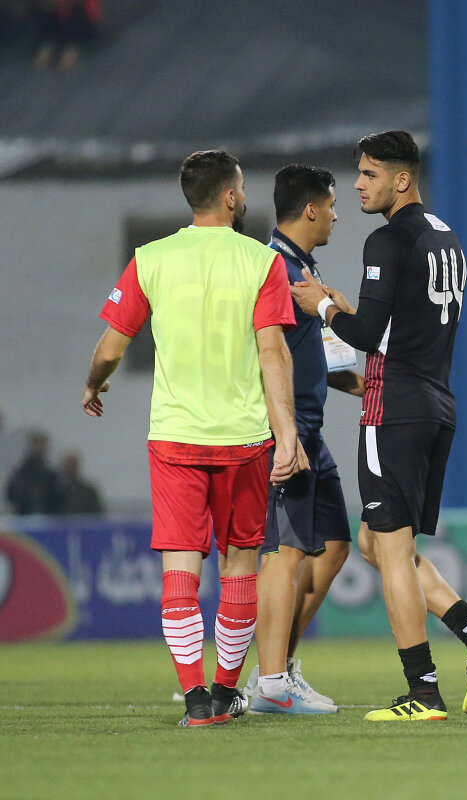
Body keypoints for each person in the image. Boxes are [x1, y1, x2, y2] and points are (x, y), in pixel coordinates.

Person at [291, 130, 467, 722]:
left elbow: (367, 336)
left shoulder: (387, 239)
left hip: (392, 408)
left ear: (402, 179)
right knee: (376, 542)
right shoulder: (446, 237)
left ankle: (423, 692)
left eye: (370, 174)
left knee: (391, 551)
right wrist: (348, 309)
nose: (358, 185)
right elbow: (399, 321)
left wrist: (321, 306)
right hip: (436, 401)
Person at [81, 149, 302, 727]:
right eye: (242, 188)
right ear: (229, 197)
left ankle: (196, 699)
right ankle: (226, 691)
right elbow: (273, 352)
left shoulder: (150, 259)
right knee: (240, 568)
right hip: (244, 440)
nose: (244, 195)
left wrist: (93, 383)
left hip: (175, 439)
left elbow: (111, 346)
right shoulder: (262, 262)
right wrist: (287, 433)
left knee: (180, 569)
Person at [243, 164, 361, 715]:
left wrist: (367, 385)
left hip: (312, 434)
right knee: (283, 553)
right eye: (332, 205)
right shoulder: (274, 269)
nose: (337, 214)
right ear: (311, 209)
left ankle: (280, 667)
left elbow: (314, 355)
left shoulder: (303, 270)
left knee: (333, 546)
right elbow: (267, 354)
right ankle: (270, 682)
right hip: (285, 435)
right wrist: (283, 433)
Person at [5, 430, 62, 515]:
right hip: (25, 514)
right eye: (37, 444)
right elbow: (11, 494)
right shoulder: (21, 473)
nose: (39, 448)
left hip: (47, 515)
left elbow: (58, 496)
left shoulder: (51, 473)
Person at [58, 450, 103, 514]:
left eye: (73, 464)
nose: (70, 467)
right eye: (68, 464)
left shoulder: (88, 491)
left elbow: (97, 512)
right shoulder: (55, 489)